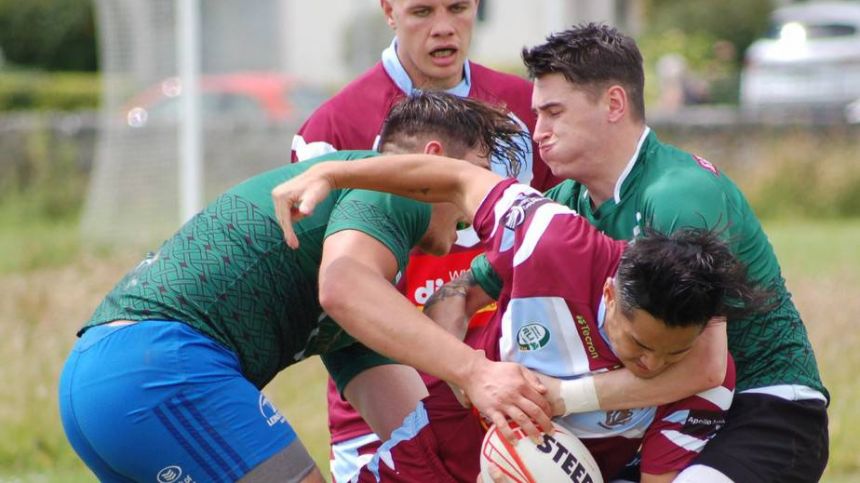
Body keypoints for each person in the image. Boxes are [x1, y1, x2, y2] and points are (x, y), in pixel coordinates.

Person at [57, 92, 553, 483]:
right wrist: (476, 371)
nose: (475, 203)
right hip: (162, 372)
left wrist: (482, 450)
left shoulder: (369, 272)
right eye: (476, 176)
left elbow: (414, 431)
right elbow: (341, 287)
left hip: (99, 381)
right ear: (433, 159)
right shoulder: (396, 193)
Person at [270, 152, 767, 482]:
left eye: (672, 353)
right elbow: (455, 177)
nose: (652, 366)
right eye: (638, 345)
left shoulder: (704, 383)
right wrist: (335, 173)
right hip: (438, 447)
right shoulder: (552, 240)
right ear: (612, 294)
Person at [470, 23, 828, 482]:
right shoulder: (563, 205)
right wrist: (474, 377)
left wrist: (559, 397)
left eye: (554, 112)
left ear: (614, 104)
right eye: (537, 115)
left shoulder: (679, 194)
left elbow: (706, 367)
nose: (539, 133)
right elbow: (465, 289)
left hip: (766, 405)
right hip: (661, 418)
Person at [289, 1, 560, 479]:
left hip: (510, 389)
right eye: (421, 12)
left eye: (457, 8)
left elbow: (557, 244)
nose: (444, 28)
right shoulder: (330, 130)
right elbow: (332, 293)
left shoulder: (529, 110)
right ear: (389, 11)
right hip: (380, 408)